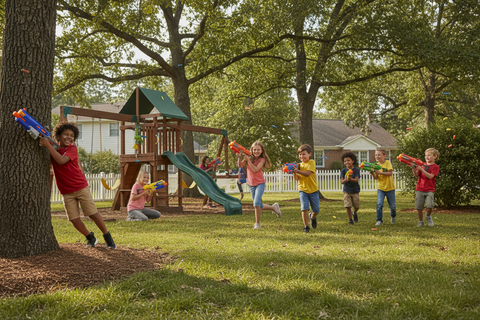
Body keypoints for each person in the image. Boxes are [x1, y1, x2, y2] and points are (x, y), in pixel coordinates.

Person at [40, 121, 116, 249]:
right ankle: (90, 237)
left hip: (80, 187)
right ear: (58, 136)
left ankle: (107, 236)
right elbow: (52, 163)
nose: (69, 137)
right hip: (66, 191)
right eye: (66, 134)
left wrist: (48, 146)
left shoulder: (72, 149)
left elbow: (61, 160)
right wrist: (48, 146)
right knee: (74, 219)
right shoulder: (55, 149)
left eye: (72, 136)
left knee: (92, 214)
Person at [238, 141, 281, 229]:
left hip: (260, 183)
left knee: (256, 203)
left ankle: (257, 224)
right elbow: (240, 165)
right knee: (257, 205)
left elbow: (255, 170)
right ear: (252, 150)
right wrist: (240, 158)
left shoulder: (262, 160)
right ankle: (274, 207)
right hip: (251, 184)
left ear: (262, 151)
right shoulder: (249, 157)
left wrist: (247, 161)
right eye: (254, 150)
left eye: (258, 150)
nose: (256, 151)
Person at [292, 144, 320, 233]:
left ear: (309, 154)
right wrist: (294, 172)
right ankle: (306, 226)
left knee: (316, 210)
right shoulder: (298, 165)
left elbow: (308, 173)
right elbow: (297, 179)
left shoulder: (311, 162)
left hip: (313, 190)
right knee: (304, 208)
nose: (302, 156)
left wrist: (297, 171)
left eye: (304, 154)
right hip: (302, 190)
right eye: (300, 155)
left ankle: (312, 216)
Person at [412, 148, 439, 227]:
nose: (426, 157)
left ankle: (428, 216)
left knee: (430, 206)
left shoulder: (435, 167)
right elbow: (416, 175)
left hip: (429, 189)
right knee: (419, 207)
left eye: (429, 155)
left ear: (435, 156)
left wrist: (422, 170)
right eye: (425, 155)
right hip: (420, 188)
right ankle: (420, 221)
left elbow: (430, 176)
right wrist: (413, 168)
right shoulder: (422, 165)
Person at [370, 149, 396, 226]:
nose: (377, 156)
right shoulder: (375, 165)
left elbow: (390, 173)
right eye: (376, 155)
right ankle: (379, 220)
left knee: (392, 206)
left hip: (390, 188)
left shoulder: (387, 163)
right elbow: (376, 177)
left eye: (379, 155)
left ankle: (393, 216)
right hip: (381, 188)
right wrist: (372, 173)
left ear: (384, 156)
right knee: (379, 204)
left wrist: (380, 172)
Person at [340, 152, 360, 225]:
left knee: (356, 206)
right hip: (347, 191)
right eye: (345, 161)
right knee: (347, 205)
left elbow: (356, 180)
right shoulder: (343, 171)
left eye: (348, 160)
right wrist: (346, 180)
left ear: (353, 161)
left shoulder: (356, 170)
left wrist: (350, 179)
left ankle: (354, 213)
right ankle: (350, 220)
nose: (347, 162)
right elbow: (342, 181)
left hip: (355, 191)